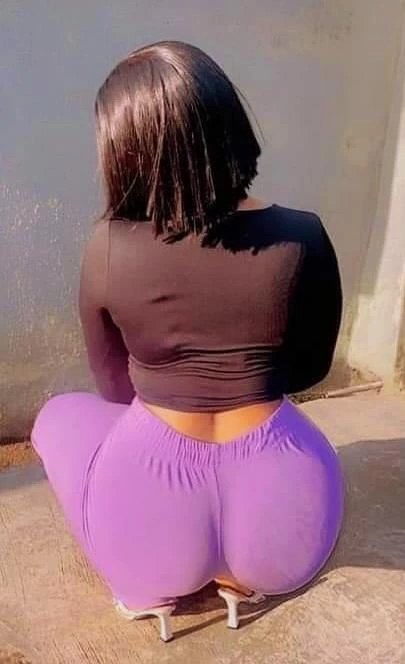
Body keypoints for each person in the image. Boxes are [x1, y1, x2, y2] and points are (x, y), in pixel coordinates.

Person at [32, 41, 344, 642]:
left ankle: (152, 592)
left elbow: (113, 386)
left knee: (60, 416)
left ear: (124, 151)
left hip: (147, 533)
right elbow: (311, 369)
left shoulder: (108, 247)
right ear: (230, 123)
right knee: (293, 441)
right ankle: (242, 581)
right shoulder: (304, 236)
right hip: (289, 520)